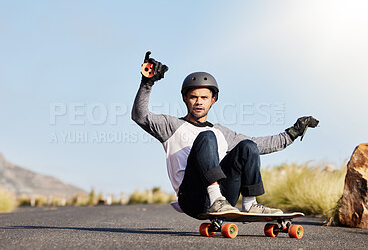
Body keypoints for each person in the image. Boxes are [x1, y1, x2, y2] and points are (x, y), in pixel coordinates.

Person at [132, 52, 319, 219]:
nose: (199, 102)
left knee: (247, 146)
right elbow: (140, 116)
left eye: (204, 98)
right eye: (193, 97)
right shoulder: (171, 126)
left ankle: (250, 204)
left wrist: (292, 132)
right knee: (207, 137)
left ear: (213, 100)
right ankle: (215, 199)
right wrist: (147, 83)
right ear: (185, 99)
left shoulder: (221, 132)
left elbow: (258, 145)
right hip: (192, 198)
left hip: (226, 197)